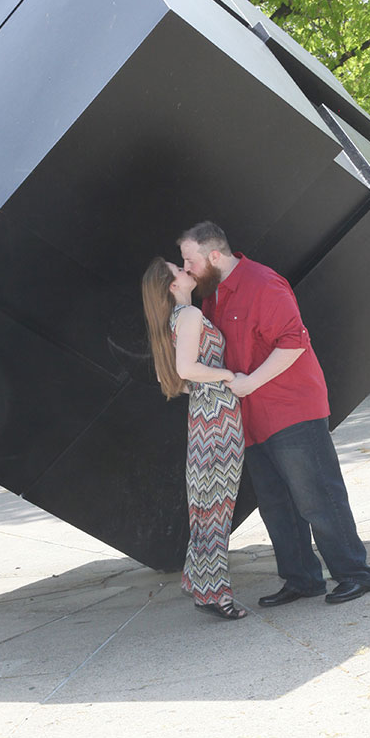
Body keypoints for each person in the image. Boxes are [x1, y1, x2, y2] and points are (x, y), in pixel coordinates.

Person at [177, 222, 370, 607]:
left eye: (190, 260)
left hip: (290, 408)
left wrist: (251, 382)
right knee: (276, 504)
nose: (187, 268)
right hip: (248, 417)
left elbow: (294, 343)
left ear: (214, 255)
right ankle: (302, 580)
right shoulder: (213, 295)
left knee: (316, 495)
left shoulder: (263, 283)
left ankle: (355, 574)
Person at [141, 257, 247, 621]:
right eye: (179, 271)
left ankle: (203, 585)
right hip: (218, 415)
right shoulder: (187, 316)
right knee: (217, 506)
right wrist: (227, 376)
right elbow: (185, 369)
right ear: (173, 286)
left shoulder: (174, 320)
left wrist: (204, 388)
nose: (187, 271)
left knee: (206, 505)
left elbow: (166, 375)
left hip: (202, 414)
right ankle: (216, 593)